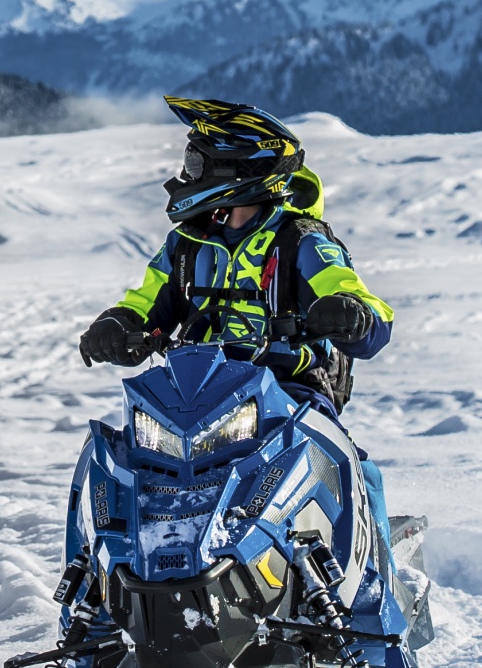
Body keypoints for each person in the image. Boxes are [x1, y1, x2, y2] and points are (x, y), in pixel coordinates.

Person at [79, 96, 394, 559]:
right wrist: (117, 324)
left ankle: (374, 596)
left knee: (352, 468)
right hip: (193, 394)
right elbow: (146, 299)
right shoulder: (186, 243)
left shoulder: (300, 239)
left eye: (196, 161)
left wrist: (350, 310)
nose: (186, 174)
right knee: (119, 462)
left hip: (287, 392)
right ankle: (100, 583)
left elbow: (357, 297)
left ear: (236, 169)